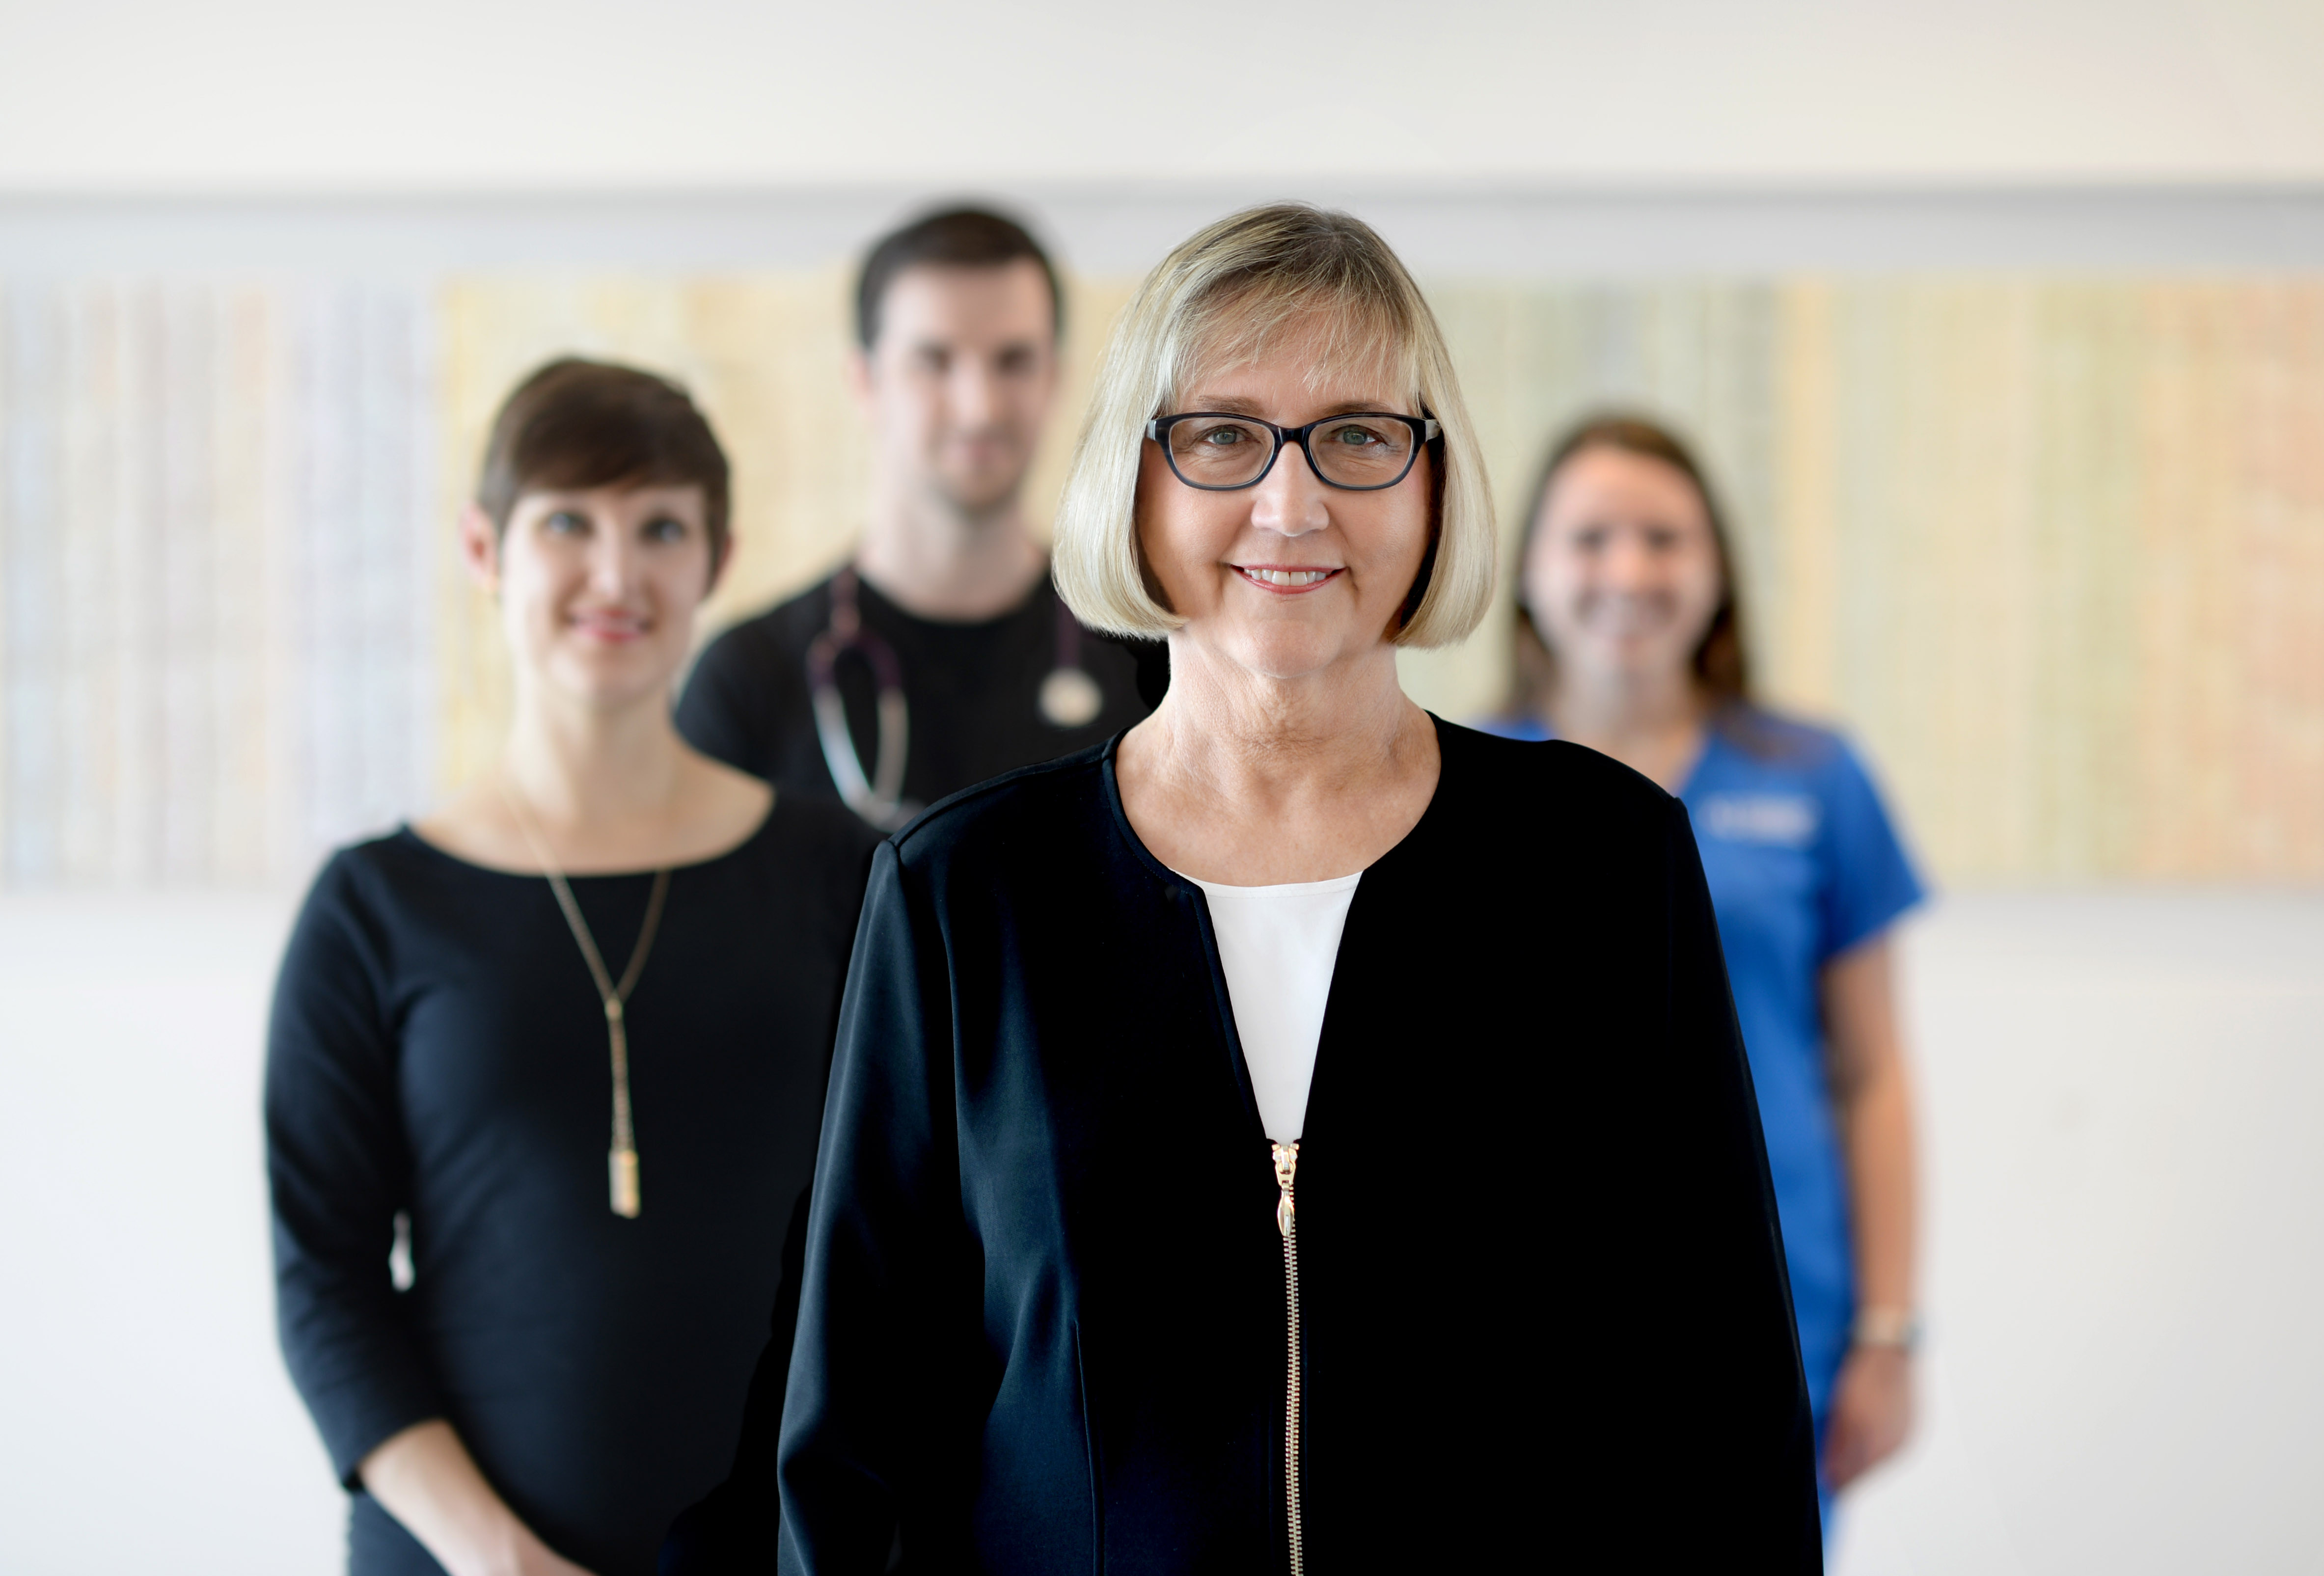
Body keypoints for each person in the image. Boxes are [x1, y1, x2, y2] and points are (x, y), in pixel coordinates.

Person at [754, 204, 1821, 1572]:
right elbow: (853, 1448)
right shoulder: (964, 896)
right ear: (1131, 481)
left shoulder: (1602, 867)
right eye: (1220, 434)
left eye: (1359, 436)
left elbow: (1719, 1397)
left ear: (1435, 485)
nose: (1291, 502)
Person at [266, 359, 880, 1576]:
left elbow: (912, 1226)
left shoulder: (844, 873)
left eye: (660, 527)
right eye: (568, 523)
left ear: (716, 558)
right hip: (458, 1557)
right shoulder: (373, 907)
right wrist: (497, 1559)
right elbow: (323, 1280)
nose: (616, 575)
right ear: (484, 547)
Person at [1487, 413, 1927, 1523]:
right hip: (1527, 1320)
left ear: (1717, 568)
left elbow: (1873, 1074)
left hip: (1778, 1310)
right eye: (1589, 538)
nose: (1627, 570)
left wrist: (1887, 1328)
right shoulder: (1461, 793)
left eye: (1663, 537)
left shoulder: (1818, 778)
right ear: (1529, 572)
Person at [675, 206, 1153, 829]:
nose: (979, 406)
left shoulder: (1147, 667)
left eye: (1013, 361)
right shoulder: (749, 682)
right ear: (865, 381)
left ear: (1055, 378)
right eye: (934, 360)